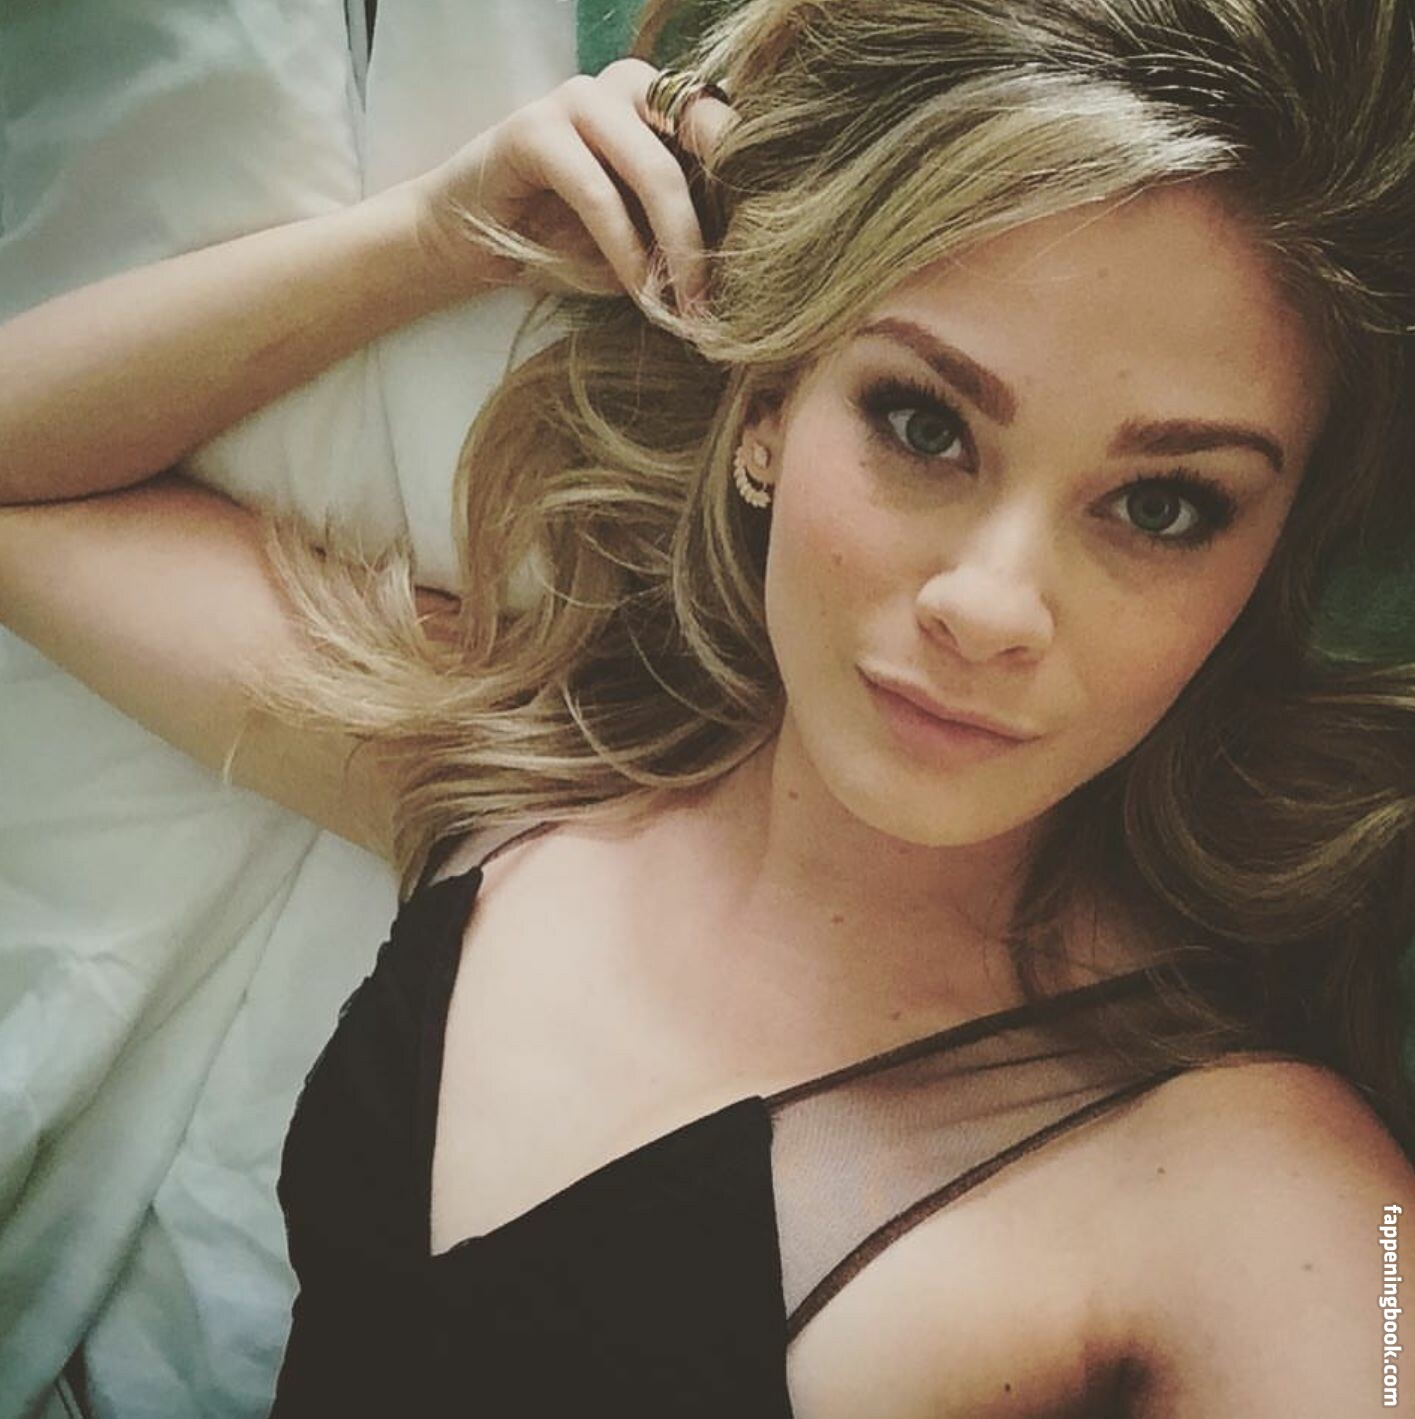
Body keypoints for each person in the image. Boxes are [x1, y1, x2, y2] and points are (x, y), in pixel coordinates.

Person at [1, 0, 1413, 1413]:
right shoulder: (522, 775)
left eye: (1162, 507)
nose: (989, 607)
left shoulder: (1277, 1208)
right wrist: (438, 235)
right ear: (768, 409)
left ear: (1270, 557)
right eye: (924, 424)